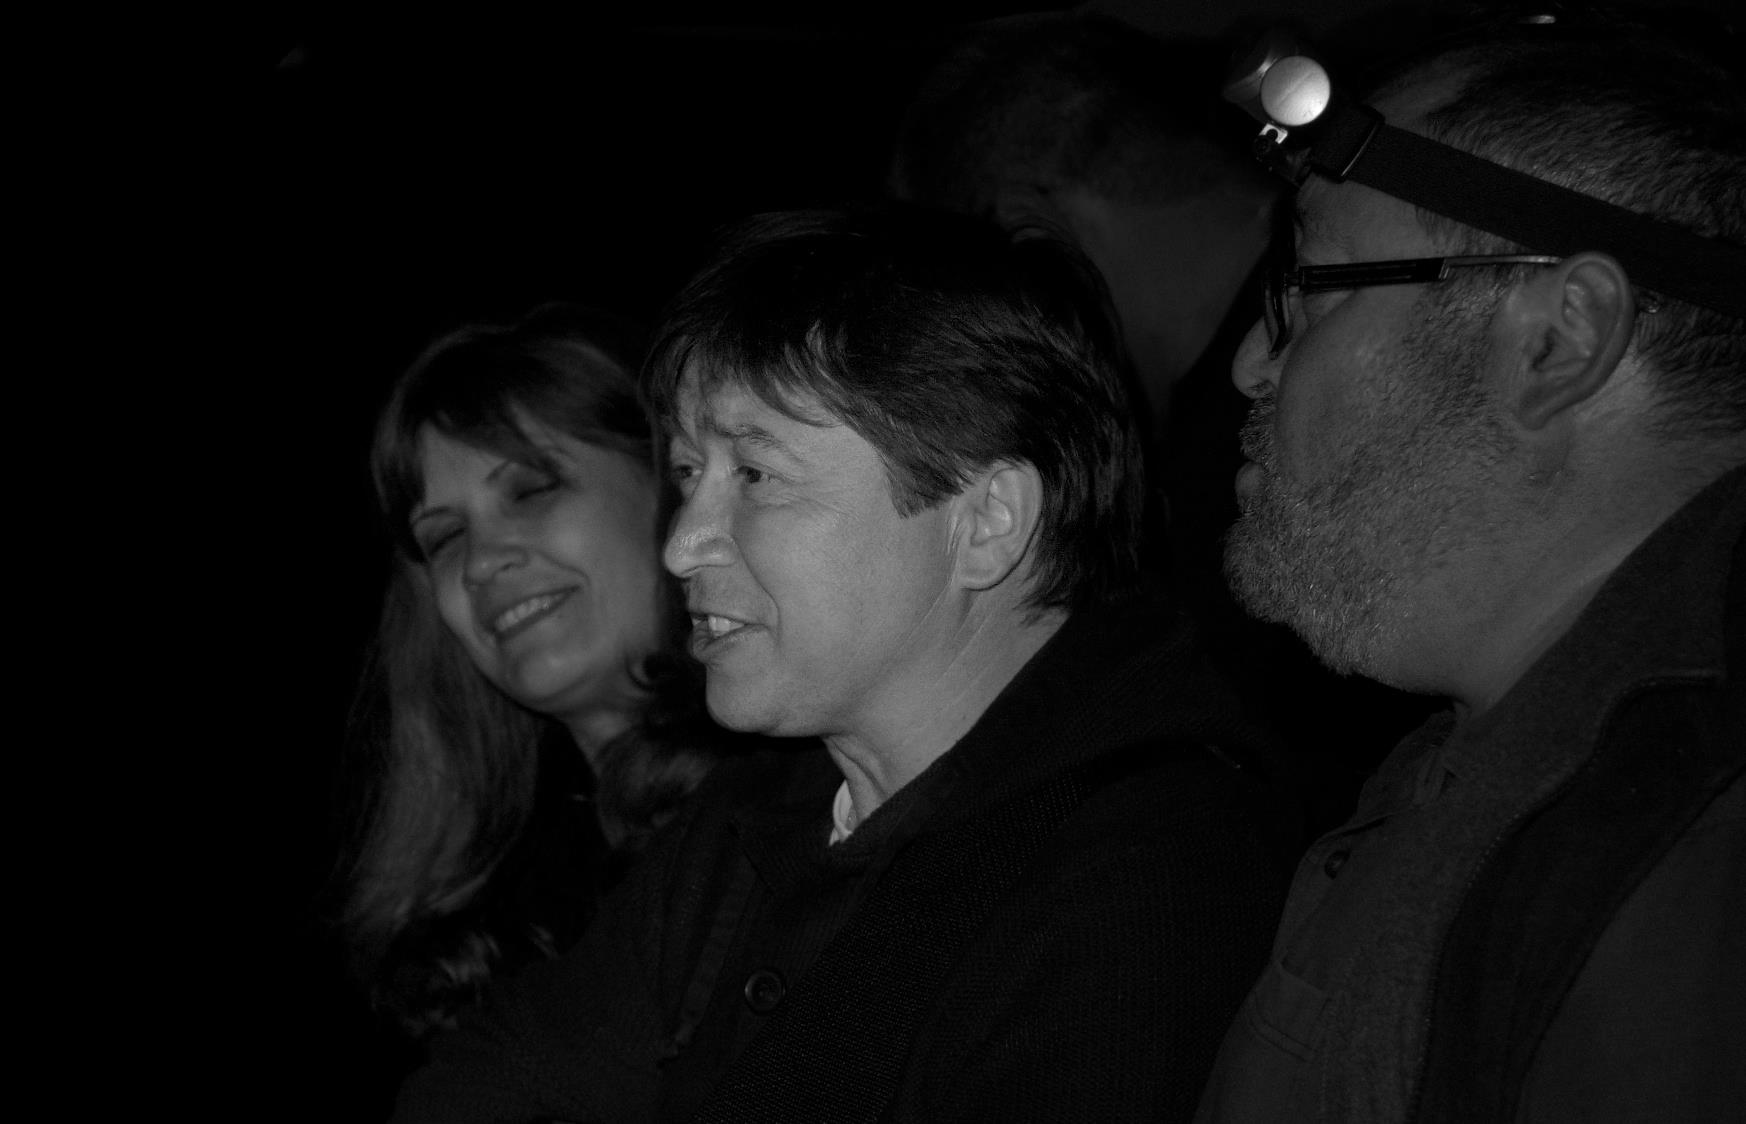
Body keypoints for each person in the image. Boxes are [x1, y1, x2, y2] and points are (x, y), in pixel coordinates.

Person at [391, 205, 1289, 1123]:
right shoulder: (749, 821)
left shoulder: (1144, 888)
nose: (682, 543)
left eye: (755, 475)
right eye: (689, 475)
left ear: (987, 522)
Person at [1197, 9, 1745, 1122]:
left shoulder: (1687, 844)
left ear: (1556, 340)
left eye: (1311, 284)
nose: (1255, 362)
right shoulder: (1499, 765)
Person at [337, 305, 730, 1053]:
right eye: (445, 537)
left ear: (668, 482)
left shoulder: (819, 804)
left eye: (530, 490)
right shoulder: (483, 936)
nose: (483, 563)